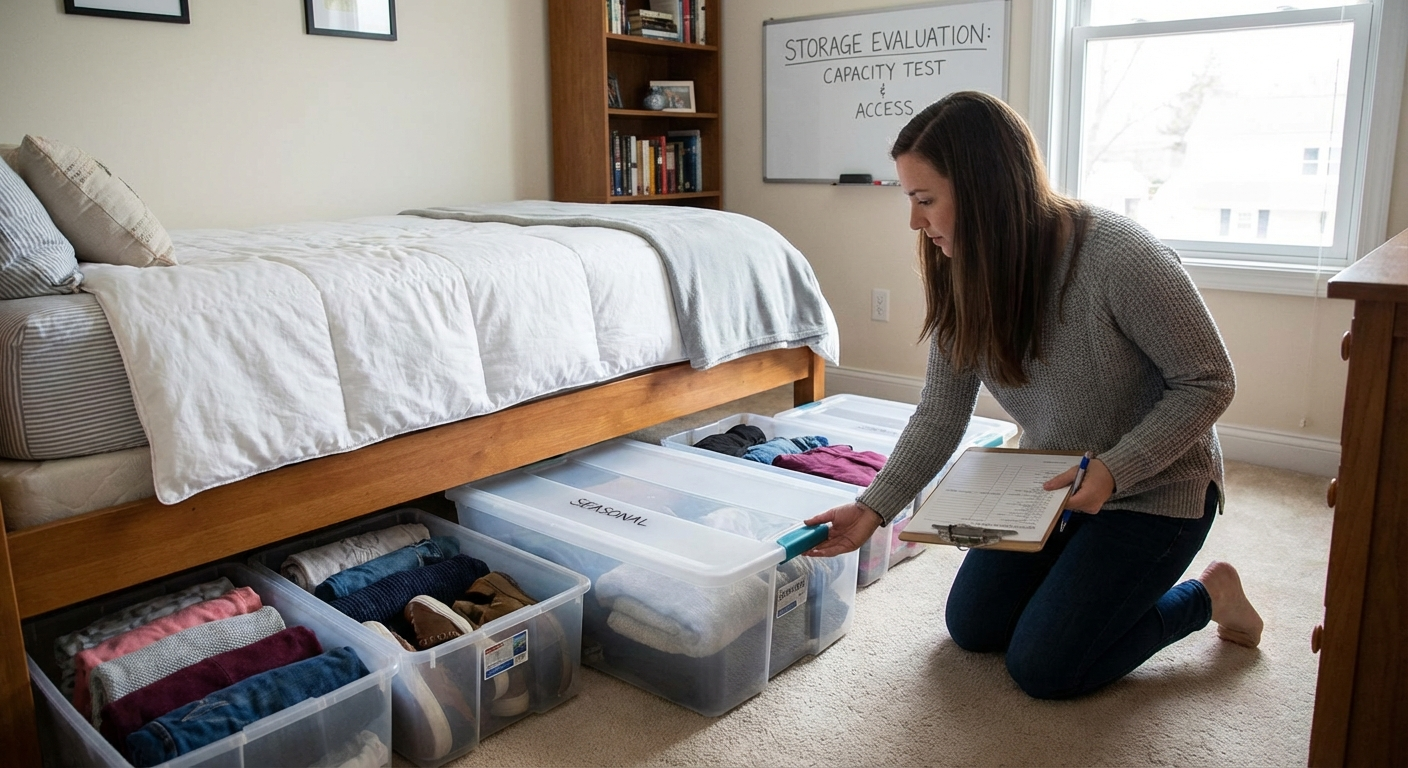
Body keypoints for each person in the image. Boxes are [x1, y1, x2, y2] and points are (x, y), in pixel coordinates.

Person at [803, 91, 1264, 700]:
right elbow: (941, 412)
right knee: (973, 627)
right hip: (1050, 488)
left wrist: (1115, 470)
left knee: (1045, 668)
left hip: (1157, 490)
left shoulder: (1119, 256)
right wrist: (874, 508)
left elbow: (1209, 381)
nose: (914, 221)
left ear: (984, 192)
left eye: (925, 200)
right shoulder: (959, 266)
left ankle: (1208, 597)